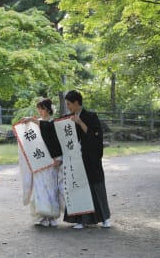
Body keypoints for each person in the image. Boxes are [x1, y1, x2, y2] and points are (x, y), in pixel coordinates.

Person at [62, 90, 111, 229]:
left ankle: (105, 218)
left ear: (77, 103)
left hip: (91, 158)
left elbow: (96, 137)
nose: (68, 107)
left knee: (96, 187)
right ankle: (80, 219)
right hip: (76, 159)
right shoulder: (68, 118)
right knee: (78, 187)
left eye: (69, 104)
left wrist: (80, 122)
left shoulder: (91, 116)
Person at [18, 98, 65, 227]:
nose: (40, 111)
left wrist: (58, 158)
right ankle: (40, 217)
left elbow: (55, 140)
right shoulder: (35, 124)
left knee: (51, 189)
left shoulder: (54, 123)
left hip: (52, 160)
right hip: (39, 161)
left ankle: (52, 216)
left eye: (42, 108)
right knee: (39, 189)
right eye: (38, 108)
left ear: (48, 109)